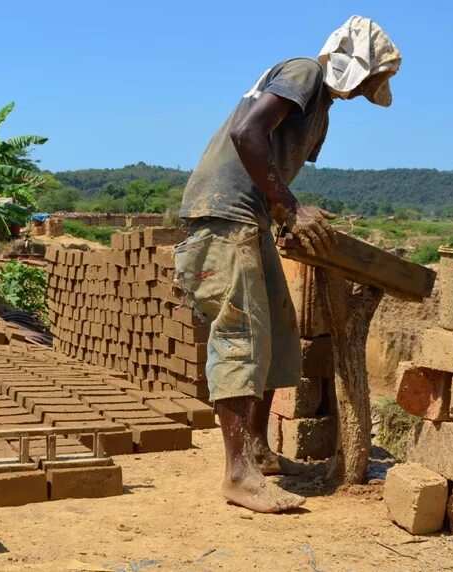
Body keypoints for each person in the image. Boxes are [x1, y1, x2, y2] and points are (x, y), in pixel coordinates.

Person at [174, 16, 402, 513]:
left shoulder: (320, 109)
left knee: (277, 332)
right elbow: (246, 131)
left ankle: (258, 451)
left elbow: (272, 162)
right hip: (223, 214)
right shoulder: (304, 73)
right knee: (240, 334)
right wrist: (291, 206)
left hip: (250, 219)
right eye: (369, 80)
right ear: (354, 63)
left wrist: (283, 213)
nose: (365, 92)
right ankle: (238, 474)